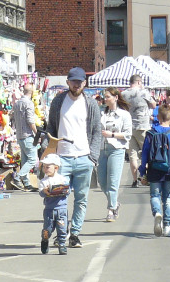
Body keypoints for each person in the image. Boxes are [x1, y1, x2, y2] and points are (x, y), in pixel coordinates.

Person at [45, 67, 102, 248]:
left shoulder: (90, 104)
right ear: (68, 82)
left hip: (84, 157)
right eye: (73, 81)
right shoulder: (59, 101)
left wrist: (93, 157)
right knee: (59, 199)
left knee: (81, 199)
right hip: (62, 158)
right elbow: (51, 128)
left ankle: (74, 233)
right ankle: (61, 233)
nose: (76, 85)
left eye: (80, 82)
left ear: (85, 83)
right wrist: (51, 154)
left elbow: (96, 131)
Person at [141, 104, 170, 238]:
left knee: (154, 195)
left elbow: (144, 154)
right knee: (167, 198)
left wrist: (143, 172)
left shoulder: (150, 134)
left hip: (154, 169)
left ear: (158, 117)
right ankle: (167, 226)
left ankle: (157, 213)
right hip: (169, 170)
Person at [97, 87, 132, 222]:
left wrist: (112, 134)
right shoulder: (102, 114)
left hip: (117, 149)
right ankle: (115, 203)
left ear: (116, 97)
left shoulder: (124, 115)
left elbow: (128, 134)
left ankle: (111, 210)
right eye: (104, 97)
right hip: (102, 148)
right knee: (102, 181)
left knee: (113, 181)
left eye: (108, 97)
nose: (105, 99)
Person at [122, 74, 156, 187]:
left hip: (129, 127)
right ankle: (146, 177)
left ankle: (134, 180)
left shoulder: (123, 94)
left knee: (133, 155)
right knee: (147, 153)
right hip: (142, 126)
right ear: (138, 82)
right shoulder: (144, 92)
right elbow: (153, 105)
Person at [38, 154, 70, 255]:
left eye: (48, 167)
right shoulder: (43, 181)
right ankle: (45, 240)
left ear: (56, 168)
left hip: (61, 209)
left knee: (62, 228)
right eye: (44, 167)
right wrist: (45, 191)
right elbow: (41, 193)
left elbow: (68, 190)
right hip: (49, 210)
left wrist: (64, 190)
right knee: (47, 229)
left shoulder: (62, 179)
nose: (45, 169)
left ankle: (62, 245)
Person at [11, 84, 39, 191]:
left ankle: (27, 183)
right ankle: (18, 177)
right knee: (32, 160)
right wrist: (36, 132)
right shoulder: (29, 103)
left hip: (19, 135)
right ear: (31, 92)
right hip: (27, 135)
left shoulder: (17, 103)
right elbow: (30, 121)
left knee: (25, 160)